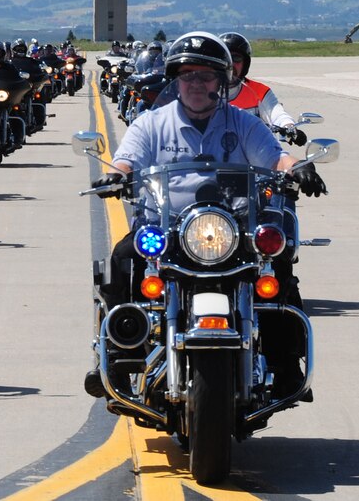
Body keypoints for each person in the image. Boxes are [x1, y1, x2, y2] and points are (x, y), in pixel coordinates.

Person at [85, 31, 325, 398]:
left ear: (223, 81)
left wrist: (298, 168)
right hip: (167, 228)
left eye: (206, 75)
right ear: (176, 80)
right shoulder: (151, 123)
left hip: (234, 229)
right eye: (188, 75)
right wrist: (115, 176)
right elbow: (126, 161)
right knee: (121, 259)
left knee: (278, 264)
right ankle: (117, 356)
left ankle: (286, 362)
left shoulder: (243, 123)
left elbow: (275, 156)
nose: (196, 84)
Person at [219, 32, 306, 147]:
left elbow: (277, 113)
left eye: (236, 58)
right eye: (226, 58)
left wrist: (289, 126)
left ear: (245, 64)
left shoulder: (259, 91)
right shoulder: (203, 91)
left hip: (256, 152)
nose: (230, 64)